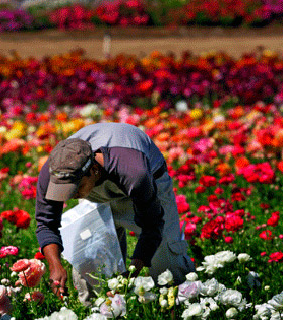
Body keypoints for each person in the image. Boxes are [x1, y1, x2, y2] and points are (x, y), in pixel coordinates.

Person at [35, 122, 195, 301]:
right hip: (94, 190)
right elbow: (46, 223)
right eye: (65, 190)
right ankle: (98, 311)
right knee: (90, 268)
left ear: (94, 170)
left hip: (149, 183)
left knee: (166, 267)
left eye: (75, 190)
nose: (70, 197)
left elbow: (152, 226)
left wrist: (132, 274)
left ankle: (181, 307)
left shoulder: (135, 173)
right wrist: (55, 265)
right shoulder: (55, 171)